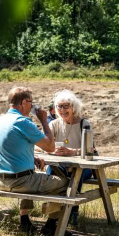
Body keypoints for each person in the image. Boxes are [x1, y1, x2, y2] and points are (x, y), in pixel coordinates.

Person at [0, 86, 70, 236]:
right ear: (23, 102)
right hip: (20, 182)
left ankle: (25, 219)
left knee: (30, 173)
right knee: (66, 183)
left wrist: (31, 157)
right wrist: (44, 121)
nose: (33, 106)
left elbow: (4, 147)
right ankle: (51, 225)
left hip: (0, 180)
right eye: (31, 102)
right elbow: (50, 147)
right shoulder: (23, 122)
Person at [46, 89, 94, 225]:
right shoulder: (53, 124)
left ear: (73, 107)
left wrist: (72, 152)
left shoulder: (84, 124)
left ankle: (72, 211)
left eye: (65, 106)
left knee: (75, 175)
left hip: (83, 167)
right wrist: (52, 148)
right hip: (60, 165)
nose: (62, 110)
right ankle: (53, 212)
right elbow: (39, 145)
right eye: (59, 107)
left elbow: (91, 150)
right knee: (51, 171)